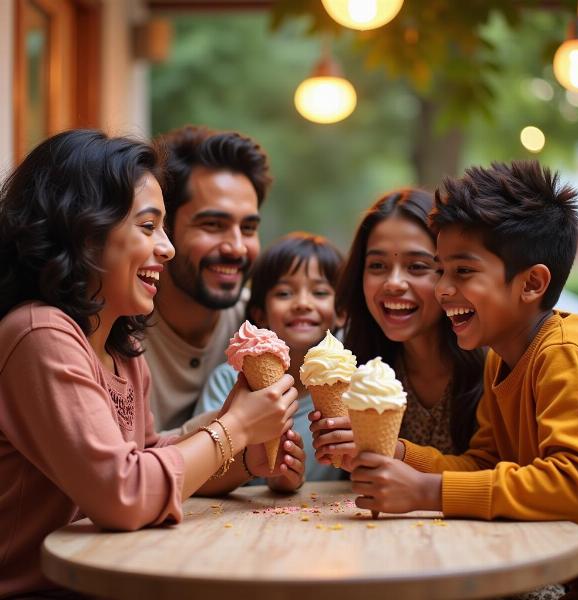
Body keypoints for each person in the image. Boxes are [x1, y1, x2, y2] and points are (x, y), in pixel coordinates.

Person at [0, 130, 298, 598]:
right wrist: (235, 428)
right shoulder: (39, 333)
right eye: (147, 226)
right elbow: (124, 494)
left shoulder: (121, 346)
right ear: (85, 229)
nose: (168, 247)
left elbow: (153, 455)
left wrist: (245, 456)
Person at [348, 162, 578, 598]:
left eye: (462, 271)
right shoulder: (498, 359)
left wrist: (429, 491)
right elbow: (484, 463)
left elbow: (575, 485)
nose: (443, 288)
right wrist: (401, 452)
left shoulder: (562, 352)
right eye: (441, 269)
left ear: (532, 283)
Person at [311, 188, 485, 469]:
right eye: (377, 265)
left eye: (416, 266)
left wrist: (392, 451)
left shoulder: (495, 368)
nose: (393, 283)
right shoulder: (355, 366)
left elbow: (494, 469)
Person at [144, 125, 272, 434]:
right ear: (166, 227)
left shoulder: (259, 325)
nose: (237, 247)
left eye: (249, 228)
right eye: (213, 224)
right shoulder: (114, 328)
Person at [194, 232, 346, 492]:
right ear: (259, 314)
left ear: (342, 312)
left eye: (320, 292)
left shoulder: (353, 387)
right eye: (285, 293)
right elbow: (200, 465)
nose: (302, 303)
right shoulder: (229, 381)